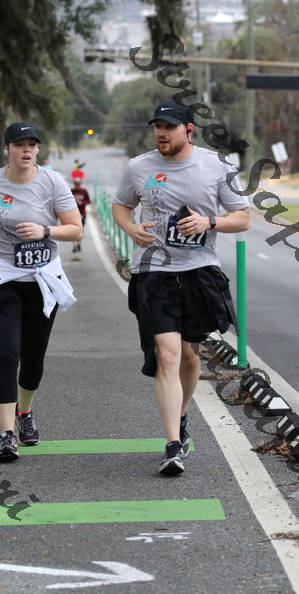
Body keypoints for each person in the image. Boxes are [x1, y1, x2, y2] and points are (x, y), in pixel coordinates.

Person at [112, 99, 250, 477]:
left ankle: (182, 415)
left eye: (169, 127)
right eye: (157, 126)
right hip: (153, 272)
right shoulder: (139, 167)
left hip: (198, 271)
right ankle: (173, 443)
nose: (161, 133)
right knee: (168, 354)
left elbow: (242, 218)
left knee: (190, 356)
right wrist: (131, 228)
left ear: (189, 130)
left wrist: (209, 222)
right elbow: (120, 206)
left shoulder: (218, 166)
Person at [0, 121, 82, 462]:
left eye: (32, 144)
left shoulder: (52, 182)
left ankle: (24, 413)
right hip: (1, 277)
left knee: (33, 359)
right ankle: (6, 434)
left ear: (37, 149)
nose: (26, 150)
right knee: (6, 354)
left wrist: (45, 230)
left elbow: (76, 230)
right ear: (8, 149)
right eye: (19, 144)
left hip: (41, 279)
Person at [70, 177, 91, 252]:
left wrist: (82, 203)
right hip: (73, 214)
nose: (77, 185)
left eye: (78, 184)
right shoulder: (71, 191)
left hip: (82, 213)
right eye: (76, 184)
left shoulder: (84, 191)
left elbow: (88, 201)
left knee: (81, 229)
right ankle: (74, 245)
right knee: (73, 229)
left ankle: (78, 243)